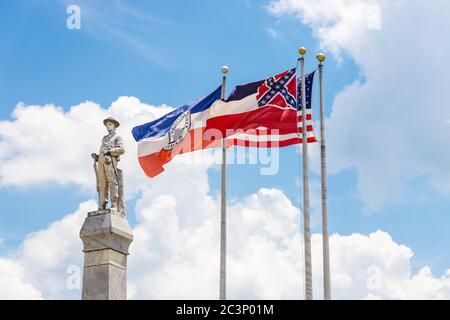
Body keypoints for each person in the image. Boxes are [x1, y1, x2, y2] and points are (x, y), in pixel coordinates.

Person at [91, 117, 125, 212]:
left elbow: (122, 149)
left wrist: (110, 152)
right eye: (106, 124)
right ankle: (102, 203)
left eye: (109, 124)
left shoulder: (117, 137)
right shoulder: (104, 138)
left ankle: (114, 203)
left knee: (112, 182)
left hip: (110, 162)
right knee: (102, 184)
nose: (107, 126)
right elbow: (103, 151)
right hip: (102, 162)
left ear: (114, 125)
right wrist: (97, 157)